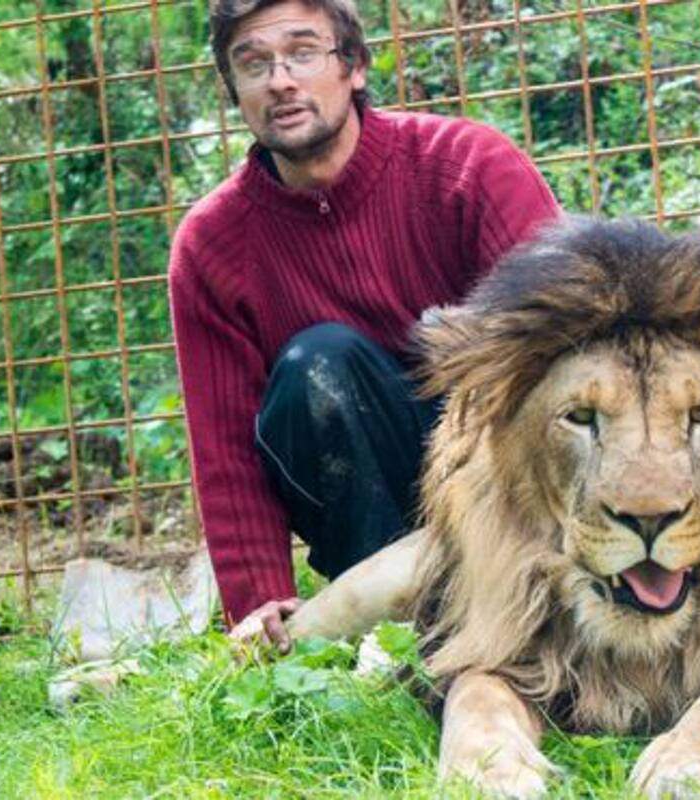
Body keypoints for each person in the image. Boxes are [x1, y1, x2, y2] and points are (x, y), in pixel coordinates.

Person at [168, 0, 560, 652]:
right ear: (232, 88)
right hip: (353, 504)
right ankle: (390, 636)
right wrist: (258, 600)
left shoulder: (469, 166)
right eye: (253, 63)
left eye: (302, 52)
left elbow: (564, 353)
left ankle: (513, 601)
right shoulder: (211, 246)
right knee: (319, 362)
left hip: (499, 485)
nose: (280, 80)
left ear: (353, 65)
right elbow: (226, 450)